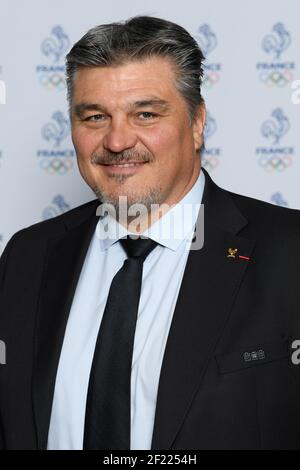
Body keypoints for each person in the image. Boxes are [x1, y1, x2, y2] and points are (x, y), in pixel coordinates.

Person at [0, 15, 300, 451]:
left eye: (145, 113)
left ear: (197, 122)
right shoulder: (27, 255)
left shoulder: (290, 254)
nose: (118, 140)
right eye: (95, 116)